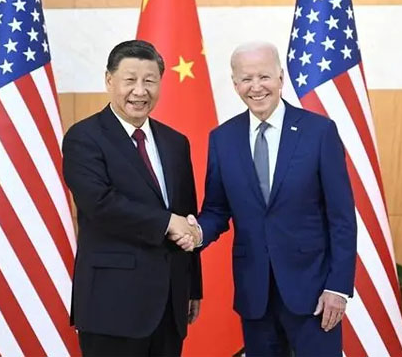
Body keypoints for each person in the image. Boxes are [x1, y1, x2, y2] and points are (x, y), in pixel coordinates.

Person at [175, 41, 356, 356]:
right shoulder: (223, 139)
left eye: (264, 77)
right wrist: (198, 232)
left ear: (281, 78)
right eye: (246, 79)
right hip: (255, 293)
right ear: (235, 84)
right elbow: (217, 209)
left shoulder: (319, 131)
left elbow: (341, 218)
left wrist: (337, 288)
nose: (255, 87)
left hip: (314, 292)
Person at [62, 40, 202, 357]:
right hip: (112, 305)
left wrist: (192, 287)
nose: (140, 91)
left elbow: (187, 215)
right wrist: (167, 223)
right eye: (130, 80)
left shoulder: (175, 142)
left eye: (149, 81)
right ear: (110, 80)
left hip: (169, 303)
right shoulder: (84, 137)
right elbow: (100, 204)